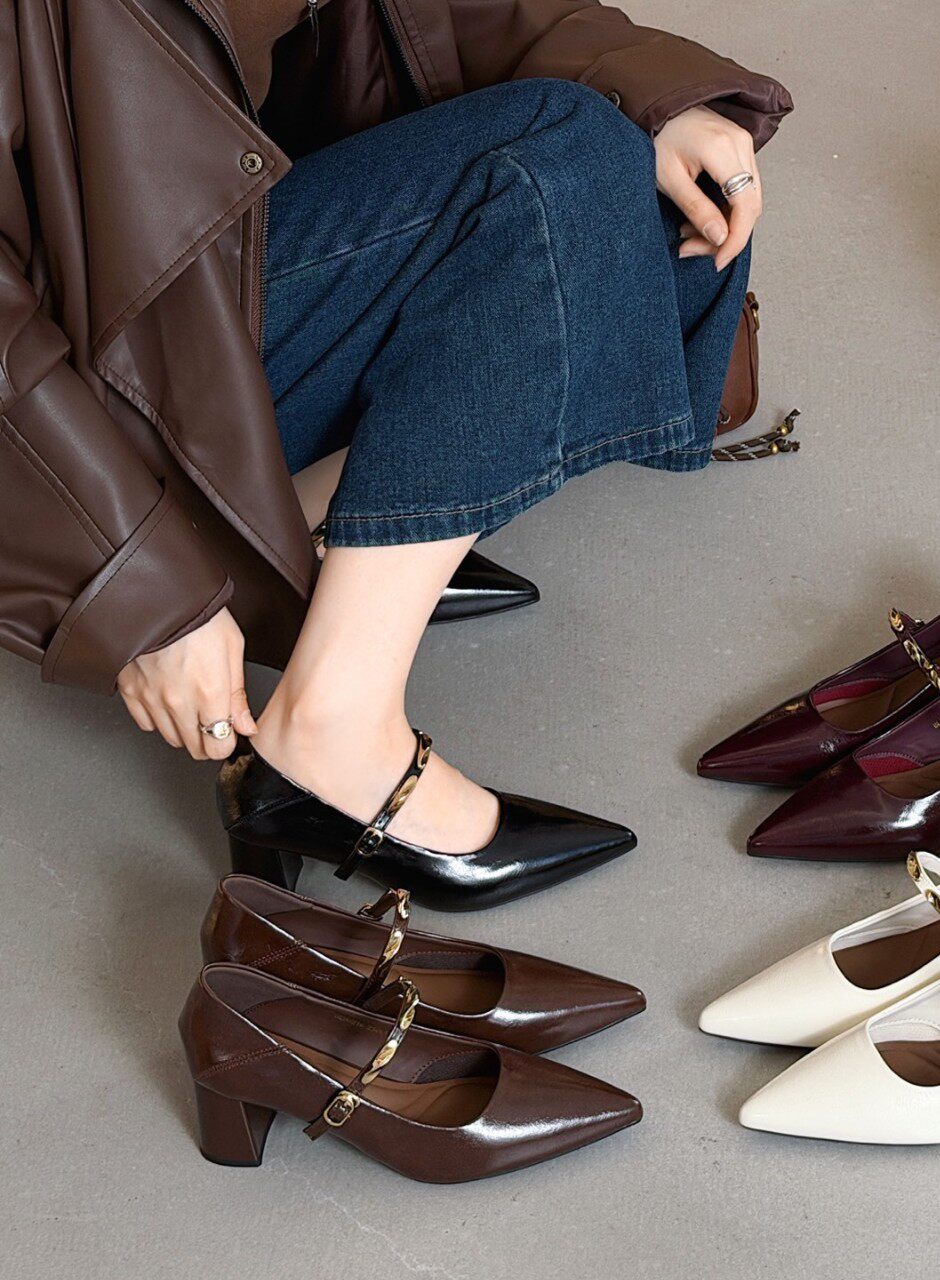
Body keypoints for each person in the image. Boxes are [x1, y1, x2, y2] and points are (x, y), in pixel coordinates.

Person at [0, 0, 791, 895]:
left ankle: (315, 532)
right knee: (561, 156)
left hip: (206, 279)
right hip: (81, 396)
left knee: (638, 174)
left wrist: (645, 87)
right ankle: (327, 733)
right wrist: (131, 573)